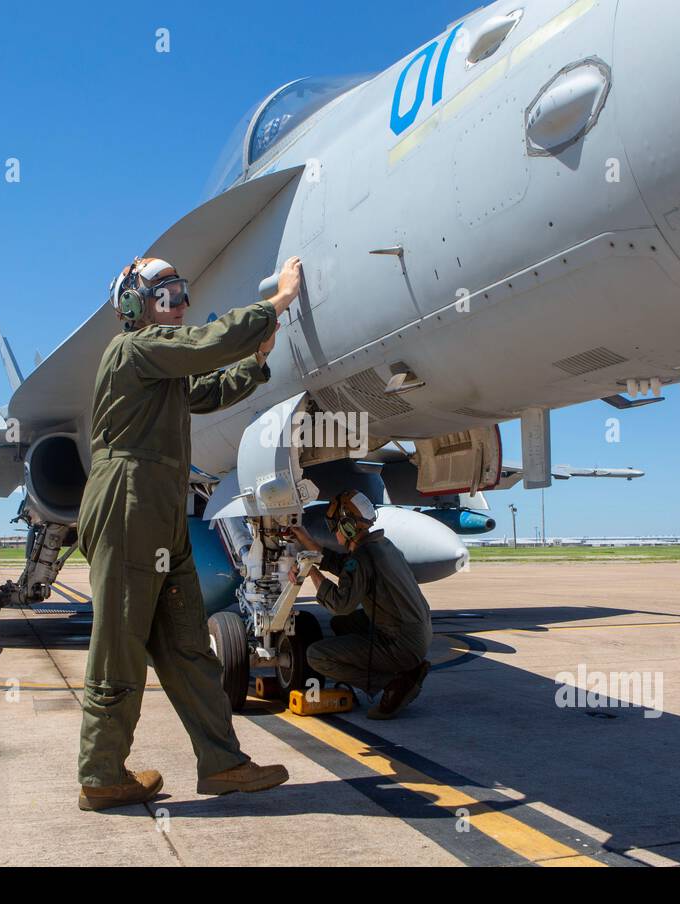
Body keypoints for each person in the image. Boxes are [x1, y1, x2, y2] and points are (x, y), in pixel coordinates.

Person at [75, 254, 303, 811]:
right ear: (132, 306)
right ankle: (102, 772)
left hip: (158, 509)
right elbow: (205, 346)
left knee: (185, 644)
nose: (178, 303)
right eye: (164, 294)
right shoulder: (134, 350)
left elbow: (209, 390)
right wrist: (276, 305)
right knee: (119, 644)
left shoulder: (161, 371)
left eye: (181, 292)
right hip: (128, 504)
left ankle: (222, 763)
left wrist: (257, 360)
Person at [288, 490, 433, 719]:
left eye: (334, 526)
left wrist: (311, 572)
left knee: (316, 656)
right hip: (416, 635)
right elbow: (342, 564)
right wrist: (303, 537)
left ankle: (393, 683)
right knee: (344, 624)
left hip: (401, 643)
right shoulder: (381, 546)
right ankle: (405, 668)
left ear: (347, 527)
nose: (333, 532)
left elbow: (339, 603)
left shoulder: (363, 557)